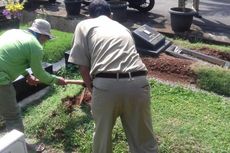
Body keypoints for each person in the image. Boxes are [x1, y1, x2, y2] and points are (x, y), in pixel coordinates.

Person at [68, 0, 158, 152]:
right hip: (138, 82)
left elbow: (83, 67)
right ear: (110, 15)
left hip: (106, 85)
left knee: (102, 139)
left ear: (90, 15)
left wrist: (92, 89)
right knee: (144, 140)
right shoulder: (123, 28)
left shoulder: (84, 25)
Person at [0, 19, 67, 152]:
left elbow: (12, 58)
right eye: (46, 38)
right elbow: (40, 73)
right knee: (13, 115)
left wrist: (26, 75)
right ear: (42, 35)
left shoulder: (13, 32)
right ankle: (21, 147)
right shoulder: (35, 45)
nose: (45, 41)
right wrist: (56, 80)